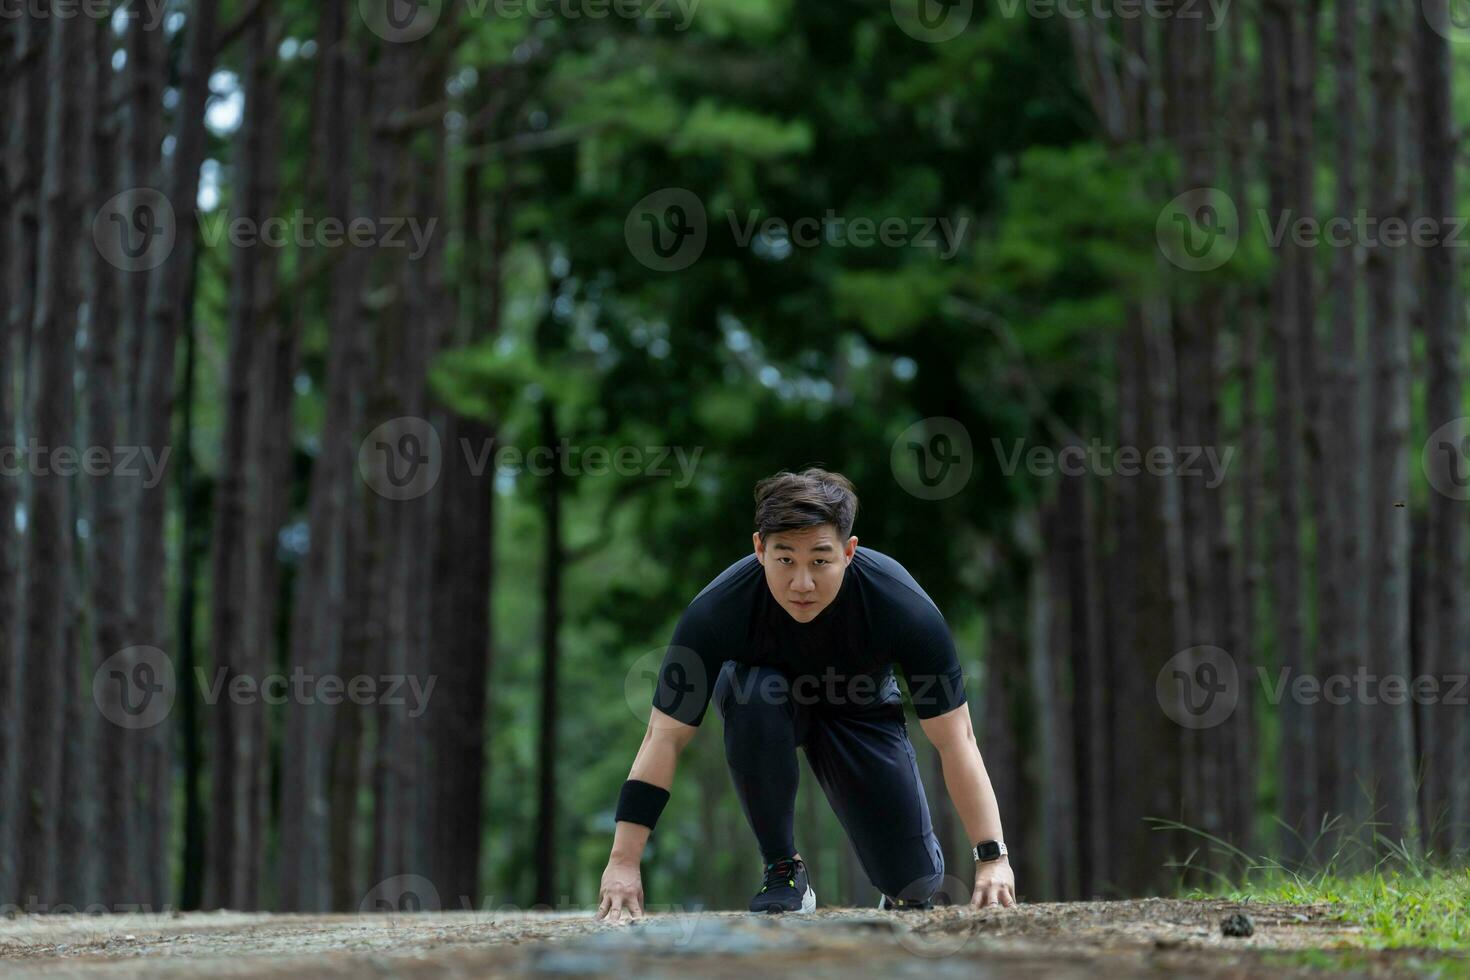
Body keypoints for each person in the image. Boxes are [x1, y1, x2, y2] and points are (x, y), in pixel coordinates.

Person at [596, 468, 1017, 919]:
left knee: (911, 884)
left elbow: (957, 740)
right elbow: (664, 736)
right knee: (755, 689)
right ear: (759, 549)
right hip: (766, 704)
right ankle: (783, 869)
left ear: (849, 551)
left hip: (861, 713)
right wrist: (623, 862)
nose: (802, 584)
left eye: (820, 560)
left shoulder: (903, 607)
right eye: (784, 560)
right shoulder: (716, 612)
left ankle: (905, 878)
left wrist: (992, 857)